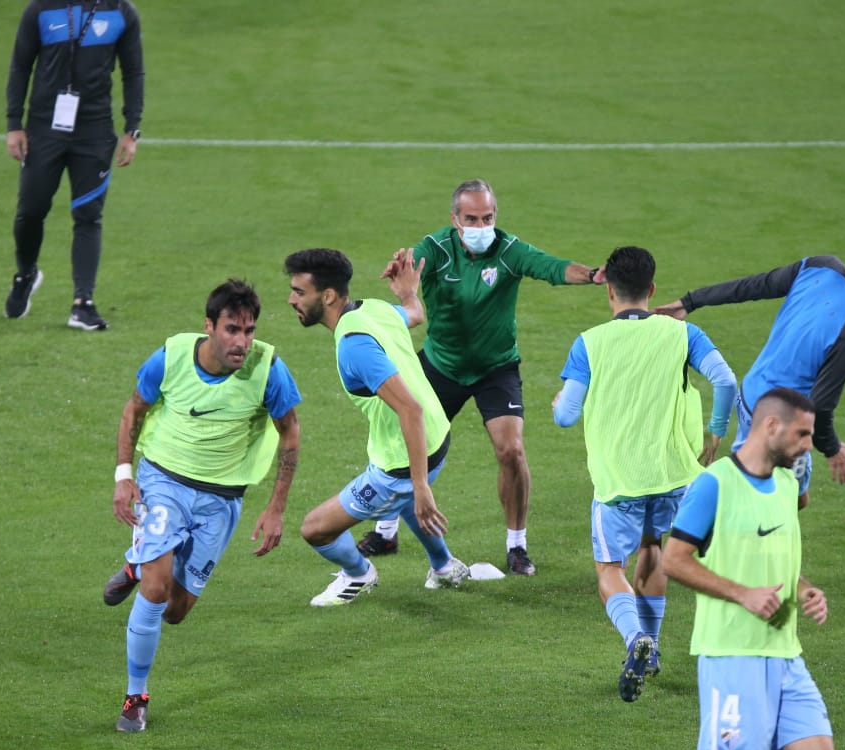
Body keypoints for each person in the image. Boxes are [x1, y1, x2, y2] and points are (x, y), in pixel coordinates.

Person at [357, 179, 603, 574]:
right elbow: (412, 273)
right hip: (441, 365)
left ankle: (517, 545)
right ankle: (386, 531)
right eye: (471, 218)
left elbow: (553, 267)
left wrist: (590, 274)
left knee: (512, 450)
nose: (480, 225)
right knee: (402, 440)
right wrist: (403, 274)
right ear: (455, 219)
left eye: (487, 217)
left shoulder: (509, 250)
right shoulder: (437, 249)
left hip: (496, 369)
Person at [103, 280, 301, 732]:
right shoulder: (171, 357)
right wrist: (123, 475)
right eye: (232, 329)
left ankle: (136, 565)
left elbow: (290, 430)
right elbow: (133, 411)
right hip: (163, 482)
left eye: (249, 331)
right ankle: (136, 696)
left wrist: (276, 507)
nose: (242, 342)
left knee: (175, 612)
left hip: (222, 500)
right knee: (156, 591)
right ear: (209, 326)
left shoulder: (267, 369)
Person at [662, 387, 840, 750]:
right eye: (803, 434)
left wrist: (803, 589)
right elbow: (674, 561)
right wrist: (742, 593)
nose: (809, 445)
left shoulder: (787, 485)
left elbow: (775, 553)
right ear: (770, 427)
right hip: (732, 655)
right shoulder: (714, 484)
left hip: (785, 654)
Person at [551, 245, 736, 701]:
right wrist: (715, 432)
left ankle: (636, 638)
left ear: (609, 291)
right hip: (676, 478)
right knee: (654, 550)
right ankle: (651, 654)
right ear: (651, 290)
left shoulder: (589, 342)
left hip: (618, 483)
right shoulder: (683, 333)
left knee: (610, 568)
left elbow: (566, 415)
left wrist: (559, 403)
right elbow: (727, 381)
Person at [655, 235, 845, 507]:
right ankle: (695, 512)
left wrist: (691, 301)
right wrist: (832, 449)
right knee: (782, 502)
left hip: (749, 397)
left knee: (778, 492)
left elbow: (755, 285)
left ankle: (707, 505)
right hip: (780, 425)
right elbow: (822, 405)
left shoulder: (821, 266)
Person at [286, 247, 470, 606]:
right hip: (438, 438)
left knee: (315, 530)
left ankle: (358, 573)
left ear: (327, 296)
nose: (291, 299)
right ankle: (444, 567)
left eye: (299, 292)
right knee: (406, 502)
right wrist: (407, 294)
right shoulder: (373, 308)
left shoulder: (354, 348)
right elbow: (415, 315)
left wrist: (419, 487)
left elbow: (409, 410)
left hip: (402, 463)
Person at [3, 0, 144, 331]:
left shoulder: (121, 11)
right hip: (43, 129)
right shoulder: (40, 8)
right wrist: (14, 124)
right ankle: (26, 273)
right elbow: (20, 65)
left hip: (94, 132)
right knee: (30, 211)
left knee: (88, 215)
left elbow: (133, 71)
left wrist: (132, 129)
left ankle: (83, 303)